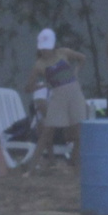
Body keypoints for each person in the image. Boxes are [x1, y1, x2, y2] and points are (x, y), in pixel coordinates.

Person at [29, 29, 90, 170]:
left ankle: (73, 163)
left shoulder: (64, 53)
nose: (45, 51)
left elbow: (82, 58)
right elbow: (31, 90)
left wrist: (76, 72)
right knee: (46, 131)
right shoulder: (40, 67)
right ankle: (35, 166)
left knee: (80, 130)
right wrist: (43, 85)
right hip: (57, 105)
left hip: (71, 100)